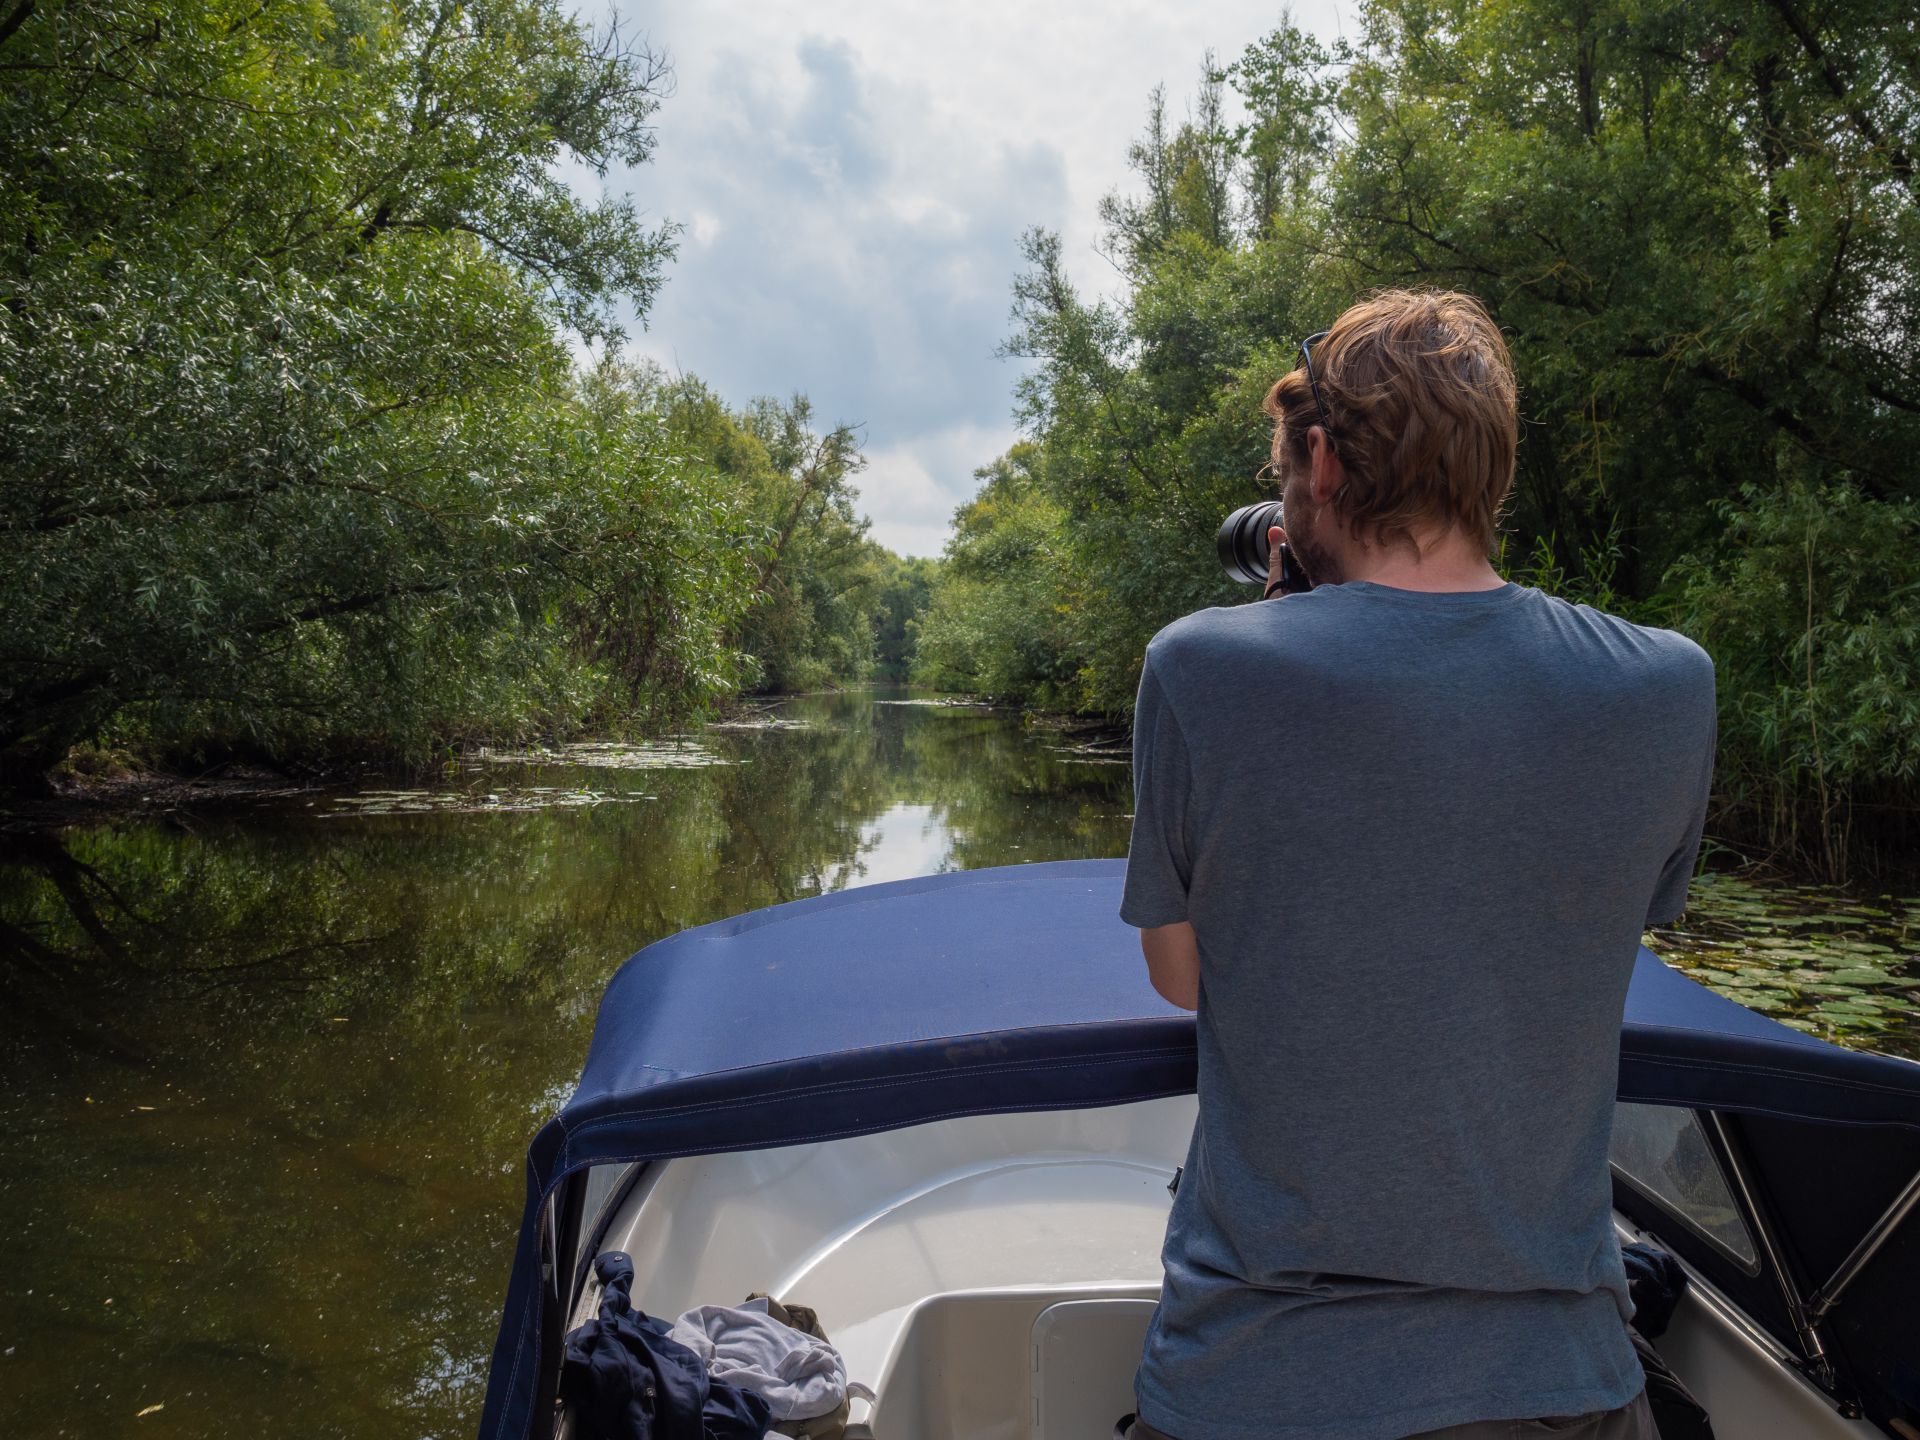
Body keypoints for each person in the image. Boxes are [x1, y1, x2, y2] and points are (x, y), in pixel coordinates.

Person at [1117, 289, 1716, 1440]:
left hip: (1260, 1380)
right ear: (1489, 471)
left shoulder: (1200, 668)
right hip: (1566, 1387)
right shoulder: (1668, 687)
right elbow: (1561, 941)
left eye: (1284, 469)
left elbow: (1184, 978)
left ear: (1325, 466)